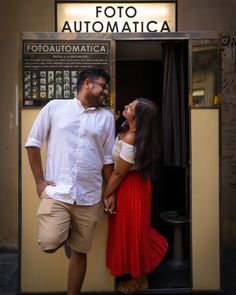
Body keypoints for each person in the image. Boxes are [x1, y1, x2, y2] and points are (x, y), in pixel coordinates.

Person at [25, 68, 116, 295]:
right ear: (87, 83)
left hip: (89, 195)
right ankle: (64, 229)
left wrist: (110, 192)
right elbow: (33, 144)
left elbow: (106, 159)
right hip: (58, 193)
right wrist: (39, 182)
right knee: (49, 241)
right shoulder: (55, 107)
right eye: (103, 86)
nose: (106, 92)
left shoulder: (106, 117)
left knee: (80, 251)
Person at [103, 98, 168, 294]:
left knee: (134, 232)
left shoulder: (133, 137)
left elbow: (119, 173)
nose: (125, 107)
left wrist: (107, 195)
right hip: (127, 186)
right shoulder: (126, 130)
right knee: (129, 231)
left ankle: (140, 279)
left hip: (132, 188)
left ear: (138, 118)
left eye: (130, 107)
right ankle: (137, 275)